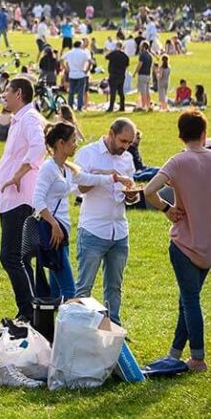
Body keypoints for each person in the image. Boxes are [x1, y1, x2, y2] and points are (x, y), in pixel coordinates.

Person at [33, 123, 133, 299]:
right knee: (70, 290)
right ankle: (70, 325)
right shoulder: (48, 168)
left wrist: (115, 177)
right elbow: (37, 200)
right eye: (73, 141)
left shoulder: (67, 168)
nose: (76, 144)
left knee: (56, 292)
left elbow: (90, 178)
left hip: (61, 233)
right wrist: (54, 224)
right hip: (52, 232)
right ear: (61, 143)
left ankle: (52, 326)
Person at [144, 110, 211, 372]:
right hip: (209, 245)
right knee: (188, 298)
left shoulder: (177, 162)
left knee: (190, 299)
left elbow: (149, 190)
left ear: (180, 135)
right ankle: (175, 352)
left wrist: (166, 208)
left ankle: (197, 358)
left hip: (185, 244)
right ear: (204, 133)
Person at [74, 118, 139, 326]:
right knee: (84, 287)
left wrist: (131, 195)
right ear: (111, 133)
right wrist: (105, 176)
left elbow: (130, 192)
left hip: (119, 230)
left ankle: (114, 329)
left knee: (114, 287)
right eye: (123, 141)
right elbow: (78, 187)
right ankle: (78, 327)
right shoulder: (88, 153)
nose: (125, 146)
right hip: (93, 230)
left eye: (129, 143)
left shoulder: (127, 159)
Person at [0, 78, 47, 320]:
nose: (3, 95)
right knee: (19, 257)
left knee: (10, 256)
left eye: (7, 90)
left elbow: (38, 149)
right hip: (10, 196)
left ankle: (28, 311)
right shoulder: (19, 120)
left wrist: (17, 175)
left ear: (19, 93)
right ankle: (31, 309)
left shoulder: (29, 119)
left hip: (19, 198)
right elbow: (16, 156)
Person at [64, 42, 91, 111]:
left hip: (72, 74)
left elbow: (61, 60)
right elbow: (90, 61)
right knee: (80, 91)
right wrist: (86, 70)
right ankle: (79, 107)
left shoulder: (69, 53)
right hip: (81, 73)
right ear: (80, 45)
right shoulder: (83, 53)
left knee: (71, 91)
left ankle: (70, 106)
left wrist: (66, 68)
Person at [105, 42, 130, 112]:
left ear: (116, 46)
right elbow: (127, 65)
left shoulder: (113, 53)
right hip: (121, 75)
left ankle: (111, 107)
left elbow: (106, 57)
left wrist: (109, 51)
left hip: (113, 75)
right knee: (121, 92)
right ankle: (122, 107)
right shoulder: (125, 56)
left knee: (113, 92)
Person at [134, 42, 153, 111]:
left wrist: (135, 72)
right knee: (147, 91)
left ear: (144, 47)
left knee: (143, 92)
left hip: (142, 75)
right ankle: (148, 105)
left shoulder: (142, 55)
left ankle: (144, 106)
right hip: (148, 75)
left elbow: (139, 65)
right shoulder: (150, 55)